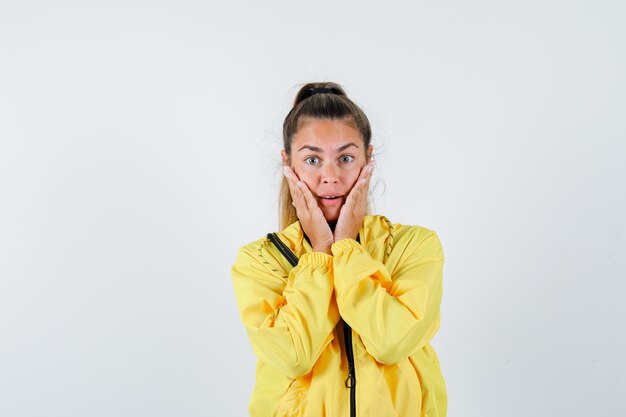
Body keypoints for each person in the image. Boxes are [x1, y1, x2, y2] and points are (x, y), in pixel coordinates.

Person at [231, 82, 447, 417]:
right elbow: (293, 356)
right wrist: (320, 253)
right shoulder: (259, 261)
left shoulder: (414, 246)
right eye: (313, 159)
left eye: (345, 158)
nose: (329, 177)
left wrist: (346, 249)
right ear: (288, 163)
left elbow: (392, 342)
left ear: (368, 159)